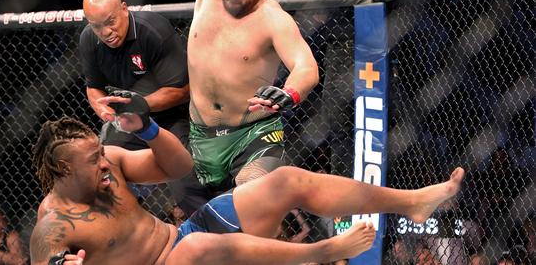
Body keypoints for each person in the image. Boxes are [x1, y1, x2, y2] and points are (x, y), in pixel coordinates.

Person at [28, 89, 465, 265]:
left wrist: (148, 129)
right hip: (182, 257)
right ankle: (320, 252)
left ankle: (411, 202)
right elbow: (46, 260)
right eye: (93, 161)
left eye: (101, 154)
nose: (105, 163)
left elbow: (180, 167)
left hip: (184, 237)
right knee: (197, 246)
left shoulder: (114, 162)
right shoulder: (55, 223)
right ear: (65, 170)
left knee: (285, 180)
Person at [181, 0, 320, 197]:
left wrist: (290, 93)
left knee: (251, 198)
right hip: (200, 134)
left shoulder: (273, 19)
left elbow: (306, 67)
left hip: (253, 134)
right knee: (198, 226)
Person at [79, 0, 201, 215]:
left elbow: (182, 90)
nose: (106, 31)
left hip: (172, 117)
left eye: (111, 21)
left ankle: (216, 236)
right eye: (97, 26)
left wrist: (142, 104)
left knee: (185, 183)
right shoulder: (89, 39)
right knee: (98, 169)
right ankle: (121, 233)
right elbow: (93, 87)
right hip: (127, 120)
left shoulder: (152, 31)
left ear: (124, 9)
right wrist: (104, 111)